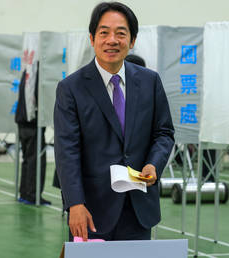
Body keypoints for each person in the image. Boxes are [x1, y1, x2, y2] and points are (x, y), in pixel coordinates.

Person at [54, 2, 174, 241]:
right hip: (91, 210)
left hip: (139, 206)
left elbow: (164, 132)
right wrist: (75, 203)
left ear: (132, 41)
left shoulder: (150, 81)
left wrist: (153, 164)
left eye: (121, 33)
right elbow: (67, 150)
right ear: (92, 38)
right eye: (104, 32)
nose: (112, 40)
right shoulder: (71, 88)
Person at [15, 61, 51, 206]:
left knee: (27, 158)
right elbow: (39, 96)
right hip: (32, 121)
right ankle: (32, 195)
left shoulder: (28, 70)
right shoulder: (39, 72)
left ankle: (25, 193)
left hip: (22, 119)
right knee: (36, 159)